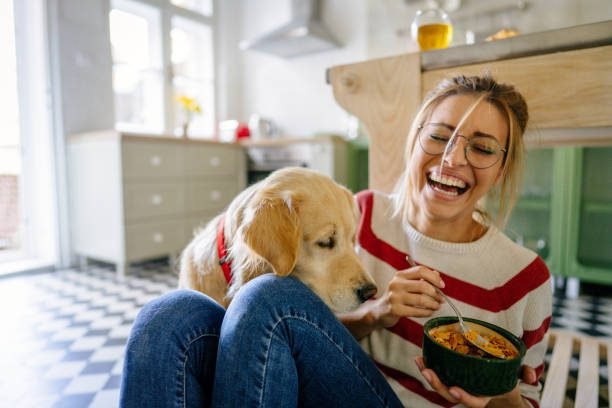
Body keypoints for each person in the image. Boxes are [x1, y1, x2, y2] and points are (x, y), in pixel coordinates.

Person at [119, 74, 552, 408]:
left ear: (503, 166)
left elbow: (524, 401)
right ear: (415, 139)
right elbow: (303, 335)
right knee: (168, 315)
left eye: (482, 147)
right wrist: (374, 314)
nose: (453, 159)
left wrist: (495, 397)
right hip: (318, 389)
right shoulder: (359, 212)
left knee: (268, 295)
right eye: (439, 136)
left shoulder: (525, 278)